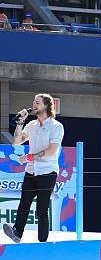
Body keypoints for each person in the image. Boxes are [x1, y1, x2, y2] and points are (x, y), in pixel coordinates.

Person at [3, 94, 64, 243]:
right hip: (31, 171)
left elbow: (51, 151)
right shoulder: (31, 125)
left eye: (37, 103)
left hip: (47, 172)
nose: (34, 105)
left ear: (46, 106)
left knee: (41, 210)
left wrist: (29, 157)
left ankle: (42, 242)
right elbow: (17, 142)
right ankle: (17, 233)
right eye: (33, 102)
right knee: (24, 203)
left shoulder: (56, 127)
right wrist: (20, 122)